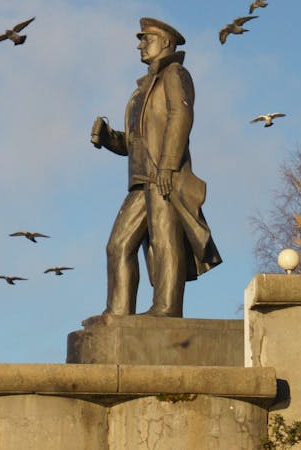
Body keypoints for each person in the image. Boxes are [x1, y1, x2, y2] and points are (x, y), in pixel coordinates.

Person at [91, 17, 221, 316]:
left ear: (166, 43)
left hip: (162, 176)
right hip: (141, 179)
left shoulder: (175, 74)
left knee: (164, 241)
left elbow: (181, 117)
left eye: (146, 39)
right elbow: (134, 141)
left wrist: (167, 166)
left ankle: (166, 308)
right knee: (118, 245)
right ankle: (119, 312)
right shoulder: (141, 90)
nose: (140, 45)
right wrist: (108, 137)